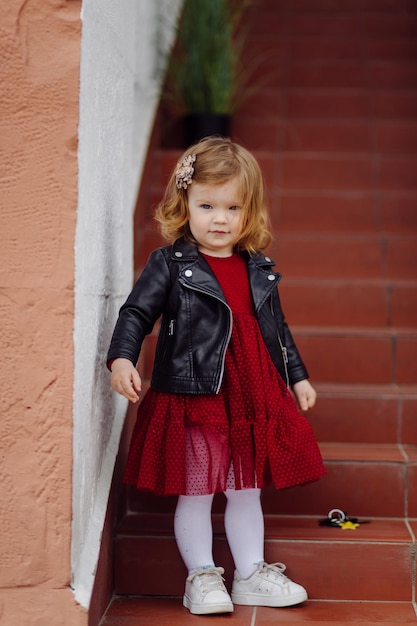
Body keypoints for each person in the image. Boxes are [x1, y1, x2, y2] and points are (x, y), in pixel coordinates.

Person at [107, 136, 326, 615]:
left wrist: (298, 376)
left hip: (252, 393)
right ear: (183, 203)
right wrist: (122, 358)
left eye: (233, 207)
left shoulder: (257, 269)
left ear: (250, 213)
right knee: (199, 487)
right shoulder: (172, 263)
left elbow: (278, 332)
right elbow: (135, 314)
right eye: (207, 205)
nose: (220, 219)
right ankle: (202, 576)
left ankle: (250, 573)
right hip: (196, 392)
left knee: (245, 486)